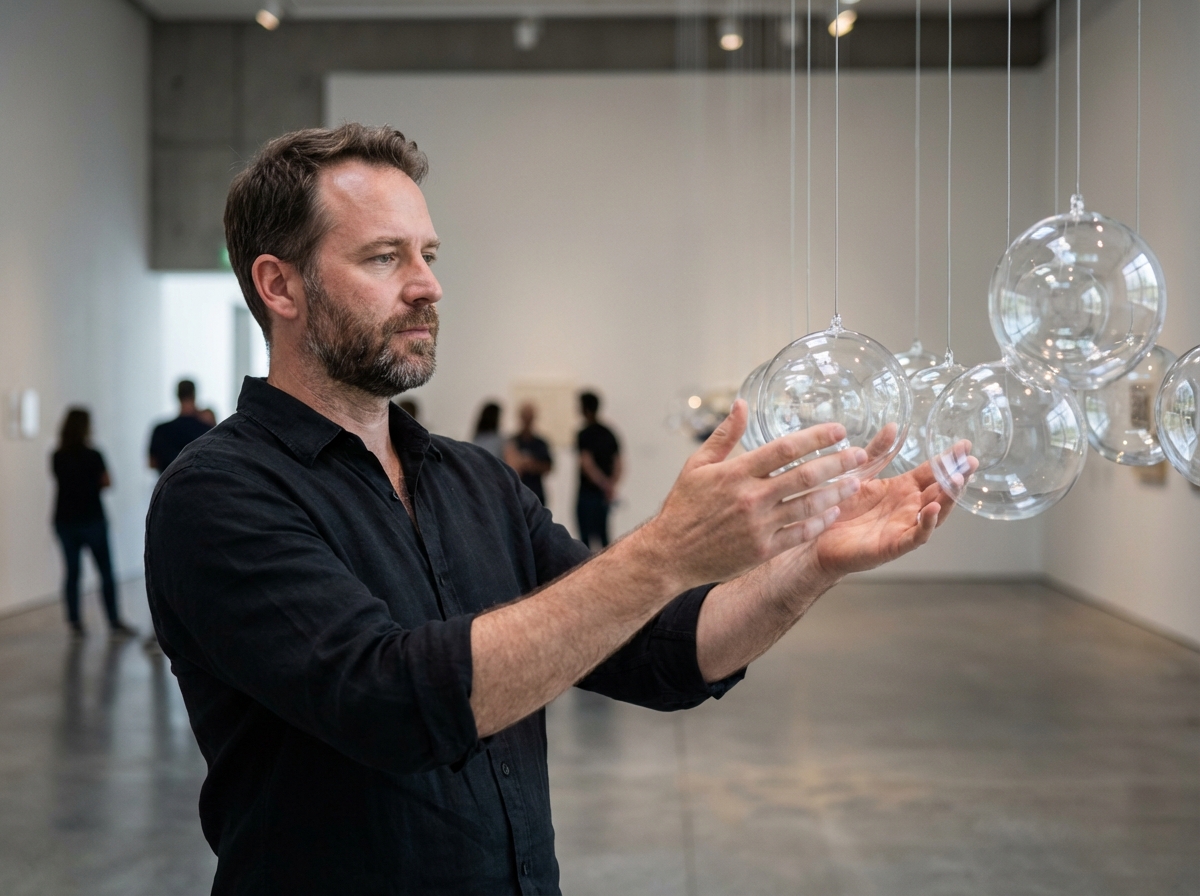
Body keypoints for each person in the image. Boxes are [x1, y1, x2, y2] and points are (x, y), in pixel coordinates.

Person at [145, 124, 973, 895]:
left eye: (430, 254)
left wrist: (810, 566)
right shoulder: (217, 494)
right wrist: (667, 552)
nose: (428, 286)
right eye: (384, 257)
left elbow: (664, 652)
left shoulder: (475, 482)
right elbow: (391, 704)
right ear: (278, 285)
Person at [51, 408, 135, 639]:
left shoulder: (57, 455)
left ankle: (75, 622)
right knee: (105, 572)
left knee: (72, 572)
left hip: (65, 520)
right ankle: (114, 620)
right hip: (92, 518)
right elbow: (107, 482)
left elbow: (61, 481)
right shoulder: (94, 455)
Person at [576, 391, 622, 549]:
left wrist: (602, 483)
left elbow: (586, 463)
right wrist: (610, 485)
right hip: (603, 494)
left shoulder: (584, 434)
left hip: (588, 493)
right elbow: (618, 464)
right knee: (603, 537)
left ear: (585, 409)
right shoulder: (609, 433)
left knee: (585, 540)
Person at [148, 379, 214, 474]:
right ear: (194, 396)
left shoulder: (161, 430)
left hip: (169, 486)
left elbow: (152, 463)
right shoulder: (206, 431)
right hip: (199, 485)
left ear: (177, 396)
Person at [505, 402, 553, 505]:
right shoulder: (512, 442)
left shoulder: (540, 443)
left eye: (529, 417)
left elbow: (548, 466)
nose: (527, 420)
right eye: (525, 416)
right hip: (517, 495)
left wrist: (532, 465)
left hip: (536, 494)